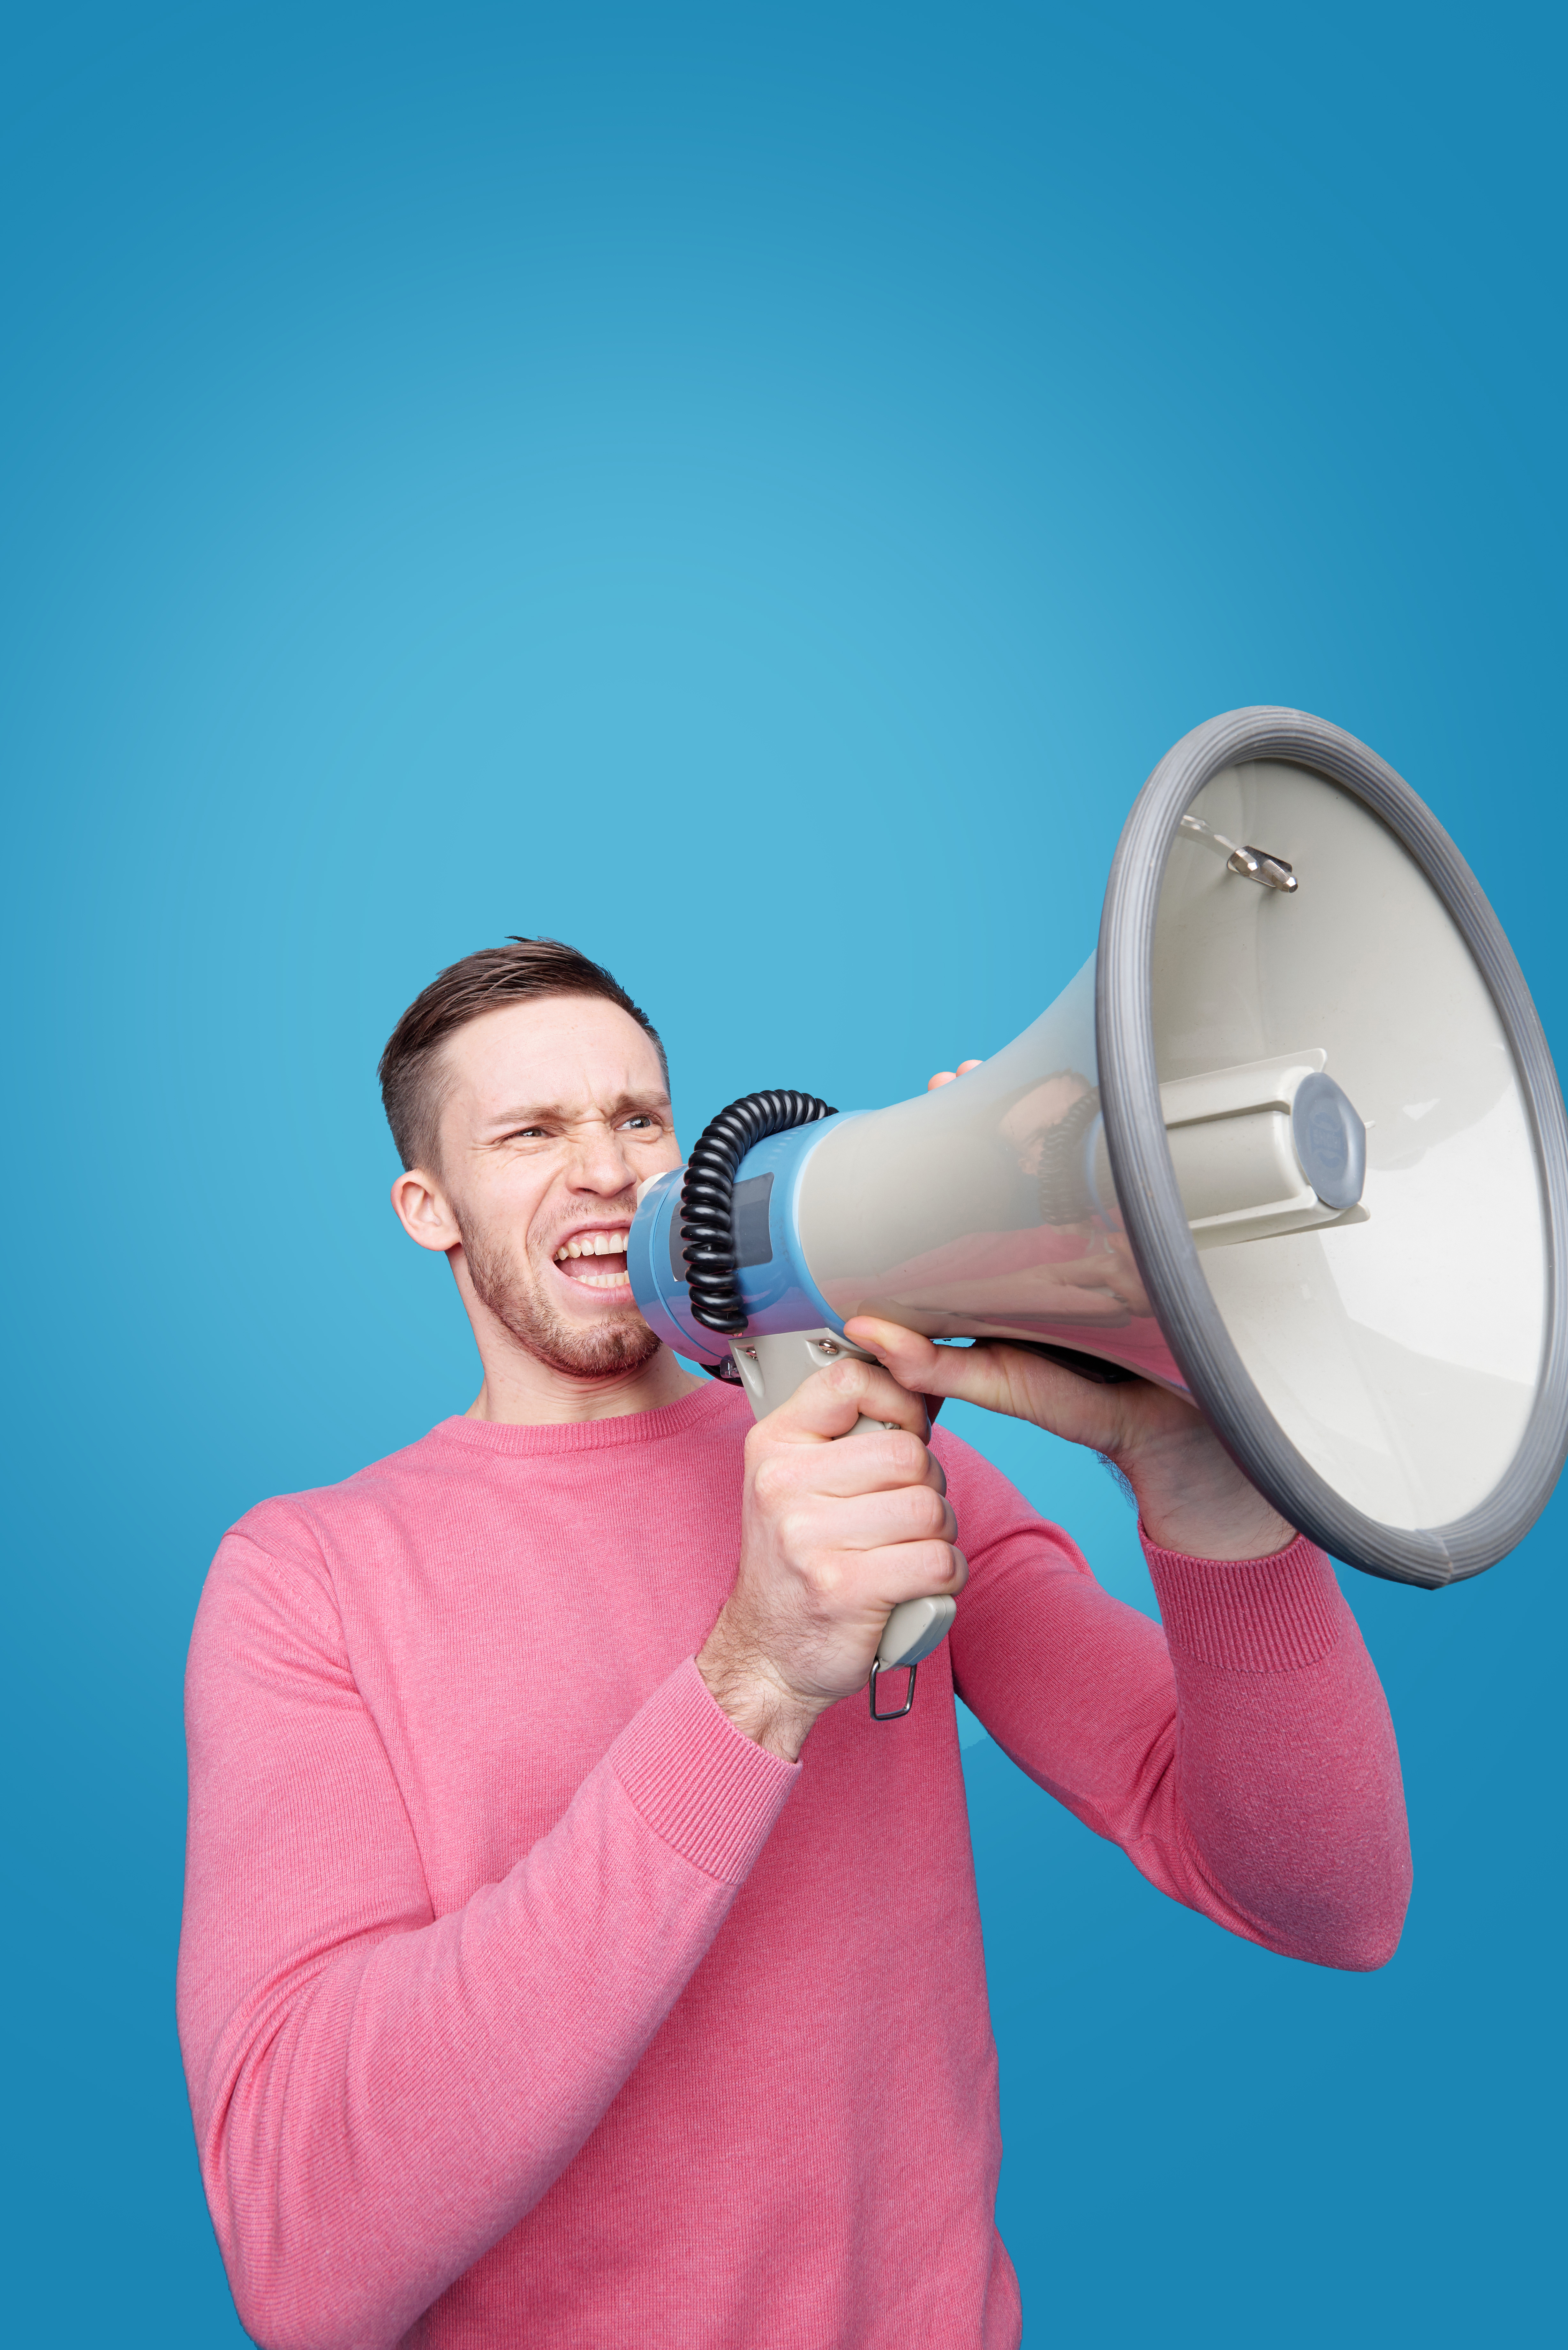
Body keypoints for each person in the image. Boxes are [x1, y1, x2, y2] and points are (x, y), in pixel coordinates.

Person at [178, 937, 1411, 2350]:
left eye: (639, 1118)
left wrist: (1203, 1484)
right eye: (530, 1133)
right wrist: (755, 1676)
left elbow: (1325, 1899)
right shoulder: (308, 1579)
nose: (606, 1168)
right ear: (428, 1207)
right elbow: (302, 2259)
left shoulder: (872, 1466)